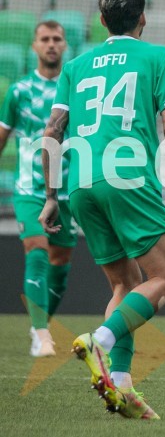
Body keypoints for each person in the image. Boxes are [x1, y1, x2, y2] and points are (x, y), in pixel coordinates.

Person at [39, 0, 165, 420]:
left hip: (81, 184)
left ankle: (121, 385)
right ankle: (99, 342)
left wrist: (51, 196)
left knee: (126, 284)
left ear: (102, 21)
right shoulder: (157, 57)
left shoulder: (77, 65)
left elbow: (52, 133)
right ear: (143, 18)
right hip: (126, 179)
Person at [0, 21, 76, 357]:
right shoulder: (18, 91)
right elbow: (2, 137)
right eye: (44, 39)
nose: (51, 45)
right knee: (37, 249)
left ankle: (38, 324)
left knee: (60, 260)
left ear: (65, 45)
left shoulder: (74, 89)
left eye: (57, 39)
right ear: (33, 46)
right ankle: (43, 334)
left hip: (68, 189)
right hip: (29, 188)